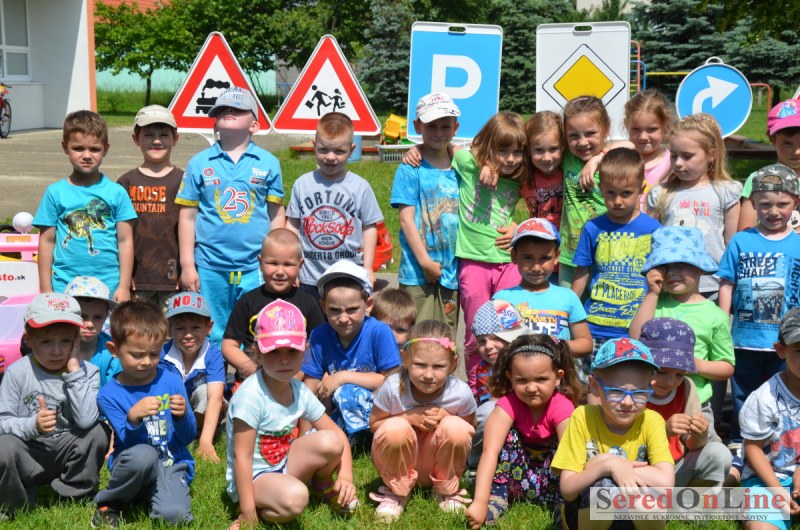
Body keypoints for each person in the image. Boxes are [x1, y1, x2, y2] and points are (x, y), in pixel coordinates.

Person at [226, 299, 358, 528]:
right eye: (274, 351)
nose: (285, 360)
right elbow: (242, 457)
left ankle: (321, 484)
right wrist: (248, 513)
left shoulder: (299, 390)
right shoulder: (251, 396)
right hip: (253, 476)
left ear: (304, 350)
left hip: (284, 462)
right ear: (258, 352)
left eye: (293, 351)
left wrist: (346, 475)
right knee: (296, 498)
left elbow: (338, 435)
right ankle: (255, 506)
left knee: (332, 441)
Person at [177, 86, 285, 345]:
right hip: (210, 266)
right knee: (213, 330)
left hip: (254, 266)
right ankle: (216, 371)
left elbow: (275, 213)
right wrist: (187, 265)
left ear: (254, 125)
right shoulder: (199, 163)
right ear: (215, 122)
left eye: (237, 110)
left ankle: (249, 370)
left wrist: (277, 259)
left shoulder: (269, 162)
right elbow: (187, 217)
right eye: (223, 110)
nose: (229, 112)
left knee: (257, 329)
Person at [0, 293, 108, 516]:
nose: (57, 351)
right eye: (46, 342)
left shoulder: (88, 372)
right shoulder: (17, 372)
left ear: (76, 340)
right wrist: (32, 425)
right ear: (28, 339)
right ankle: (15, 504)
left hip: (68, 449)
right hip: (30, 451)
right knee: (4, 446)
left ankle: (75, 492)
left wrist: (74, 372)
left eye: (65, 341)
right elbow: (3, 422)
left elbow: (87, 420)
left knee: (98, 431)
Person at [551, 338, 674, 530]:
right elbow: (568, 489)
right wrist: (607, 467)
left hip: (631, 513)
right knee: (604, 488)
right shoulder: (582, 417)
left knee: (648, 499)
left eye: (639, 393)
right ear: (594, 386)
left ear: (650, 388)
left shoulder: (652, 420)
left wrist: (619, 467)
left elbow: (666, 482)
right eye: (616, 392)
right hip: (586, 514)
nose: (627, 402)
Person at [93, 300, 196, 527]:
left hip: (169, 463)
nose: (147, 362)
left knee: (175, 517)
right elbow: (128, 443)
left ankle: (151, 494)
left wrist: (182, 417)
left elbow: (188, 437)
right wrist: (133, 419)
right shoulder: (108, 395)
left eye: (154, 353)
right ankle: (110, 501)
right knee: (144, 455)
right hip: (135, 465)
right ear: (114, 350)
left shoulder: (171, 381)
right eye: (137, 355)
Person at [718, 164, 800, 447]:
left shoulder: (798, 244)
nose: (773, 211)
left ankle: (782, 442)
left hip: (786, 340)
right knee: (744, 391)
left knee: (786, 391)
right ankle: (740, 441)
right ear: (753, 203)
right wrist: (722, 322)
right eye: (765, 204)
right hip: (746, 338)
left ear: (795, 202)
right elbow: (726, 282)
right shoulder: (741, 241)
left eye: (782, 204)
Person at [466, 334, 582, 528]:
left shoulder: (562, 407)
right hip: (513, 482)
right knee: (504, 436)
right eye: (522, 380)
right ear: (510, 378)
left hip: (554, 484)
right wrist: (479, 501)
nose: (531, 388)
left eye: (541, 379)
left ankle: (564, 506)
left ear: (558, 378)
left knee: (568, 447)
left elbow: (572, 459)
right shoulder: (508, 405)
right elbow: (490, 453)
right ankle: (496, 497)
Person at [629, 226, 734, 439]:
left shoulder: (715, 315)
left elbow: (726, 366)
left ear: (700, 267)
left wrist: (689, 363)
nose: (672, 272)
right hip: (649, 400)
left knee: (709, 450)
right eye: (664, 266)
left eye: (682, 264)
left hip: (695, 403)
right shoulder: (654, 303)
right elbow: (635, 339)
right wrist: (652, 293)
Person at [368, 320, 476, 522]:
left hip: (436, 460)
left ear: (453, 364)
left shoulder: (460, 393)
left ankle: (445, 490)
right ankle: (397, 492)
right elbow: (374, 425)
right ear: (405, 358)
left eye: (438, 366)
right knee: (394, 427)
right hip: (399, 463)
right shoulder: (392, 388)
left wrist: (447, 417)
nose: (428, 375)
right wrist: (409, 417)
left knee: (456, 427)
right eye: (420, 365)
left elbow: (470, 428)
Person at [33, 110, 137, 300]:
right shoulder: (54, 193)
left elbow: (125, 241)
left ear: (106, 149)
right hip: (63, 286)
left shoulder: (117, 193)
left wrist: (123, 286)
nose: (87, 155)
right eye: (78, 148)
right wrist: (46, 289)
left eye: (95, 149)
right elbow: (46, 241)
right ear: (65, 147)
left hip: (108, 285)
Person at [302, 260, 400, 445]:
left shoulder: (379, 331)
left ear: (368, 304)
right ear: (323, 306)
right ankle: (329, 436)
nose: (343, 318)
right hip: (339, 408)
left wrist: (342, 377)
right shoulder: (319, 335)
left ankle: (366, 438)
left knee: (345, 392)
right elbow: (310, 388)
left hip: (380, 409)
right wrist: (304, 436)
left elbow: (393, 380)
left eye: (352, 310)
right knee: (317, 394)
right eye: (334, 310)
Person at [645, 113, 741, 300]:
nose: (678, 163)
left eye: (687, 156)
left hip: (712, 285)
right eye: (674, 156)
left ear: (711, 154)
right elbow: (651, 241)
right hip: (672, 285)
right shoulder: (660, 193)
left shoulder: (725, 192)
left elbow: (731, 243)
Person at [572, 148, 661, 348]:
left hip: (637, 329)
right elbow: (582, 272)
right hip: (595, 326)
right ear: (601, 189)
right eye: (610, 193)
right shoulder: (592, 227)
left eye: (626, 193)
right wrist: (568, 308)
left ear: (641, 189)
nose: (618, 201)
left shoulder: (654, 230)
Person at [287, 112, 383, 297]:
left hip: (348, 275)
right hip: (309, 277)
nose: (330, 157)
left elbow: (369, 227)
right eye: (323, 149)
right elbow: (292, 225)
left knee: (345, 315)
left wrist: (368, 267)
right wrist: (291, 264)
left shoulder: (360, 187)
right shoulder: (302, 184)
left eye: (339, 151)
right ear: (314, 145)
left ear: (352, 150)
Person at [391, 93, 461, 331]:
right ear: (417, 126)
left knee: (445, 336)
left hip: (452, 271)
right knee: (415, 334)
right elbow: (406, 220)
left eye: (445, 126)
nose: (439, 132)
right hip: (417, 271)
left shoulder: (462, 165)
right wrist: (425, 262)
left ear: (455, 128)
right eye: (431, 126)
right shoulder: (410, 168)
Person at [493, 218, 593, 382]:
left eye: (544, 258)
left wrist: (556, 345)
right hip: (518, 383)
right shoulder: (502, 299)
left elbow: (586, 344)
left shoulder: (568, 297)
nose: (536, 267)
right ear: (514, 256)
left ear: (556, 257)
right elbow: (493, 343)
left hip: (561, 382)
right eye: (528, 258)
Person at [222, 229, 324, 384]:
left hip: (295, 379)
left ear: (300, 265)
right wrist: (257, 373)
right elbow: (229, 346)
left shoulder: (308, 302)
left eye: (288, 264)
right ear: (260, 263)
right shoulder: (247, 301)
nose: (280, 271)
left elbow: (318, 346)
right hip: (253, 381)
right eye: (272, 263)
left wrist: (300, 373)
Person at [640, 318, 732, 487]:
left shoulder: (686, 388)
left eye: (679, 374)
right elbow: (624, 444)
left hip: (675, 471)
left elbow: (692, 444)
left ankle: (687, 500)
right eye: (661, 371)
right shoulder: (634, 390)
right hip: (639, 473)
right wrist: (663, 431)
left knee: (719, 454)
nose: (670, 382)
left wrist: (699, 434)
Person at [738, 307, 800, 530]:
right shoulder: (764, 398)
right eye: (799, 350)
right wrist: (777, 491)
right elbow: (752, 448)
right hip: (766, 479)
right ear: (781, 350)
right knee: (761, 527)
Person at [117, 105, 183, 307]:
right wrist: (124, 280)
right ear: (135, 138)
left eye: (164, 135)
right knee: (137, 327)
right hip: (137, 280)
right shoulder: (125, 183)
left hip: (174, 280)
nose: (156, 140)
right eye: (148, 135)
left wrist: (188, 269)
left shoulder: (186, 181)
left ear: (175, 139)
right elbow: (119, 235)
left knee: (172, 327)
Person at [467, 299, 532, 471]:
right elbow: (490, 401)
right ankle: (475, 464)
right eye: (481, 341)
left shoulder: (529, 360)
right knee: (488, 411)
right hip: (503, 415)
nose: (488, 346)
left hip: (530, 413)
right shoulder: (484, 369)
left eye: (496, 338)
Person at [161, 292, 225, 462]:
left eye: (196, 327)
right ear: (169, 328)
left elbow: (215, 397)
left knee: (205, 392)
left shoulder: (213, 354)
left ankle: (203, 435)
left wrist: (206, 442)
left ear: (208, 327)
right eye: (180, 328)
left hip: (201, 410)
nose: (188, 334)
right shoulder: (161, 355)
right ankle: (173, 434)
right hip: (172, 409)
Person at [557, 96, 612, 290]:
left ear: (607, 129)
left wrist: (597, 159)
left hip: (605, 255)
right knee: (567, 305)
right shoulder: (567, 158)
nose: (582, 142)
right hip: (570, 256)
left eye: (590, 133)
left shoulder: (613, 161)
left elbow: (631, 146)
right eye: (574, 136)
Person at [737, 99, 800, 233]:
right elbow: (746, 232)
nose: (796, 151)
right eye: (787, 143)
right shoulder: (758, 179)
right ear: (772, 140)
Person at [623, 90, 676, 211]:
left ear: (665, 127)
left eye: (651, 129)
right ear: (626, 125)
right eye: (636, 129)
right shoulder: (619, 159)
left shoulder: (672, 162)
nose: (643, 137)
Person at [64, 275, 120, 387]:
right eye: (82, 316)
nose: (89, 324)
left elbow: (116, 391)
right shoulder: (56, 348)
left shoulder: (114, 351)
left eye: (97, 317)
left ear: (106, 316)